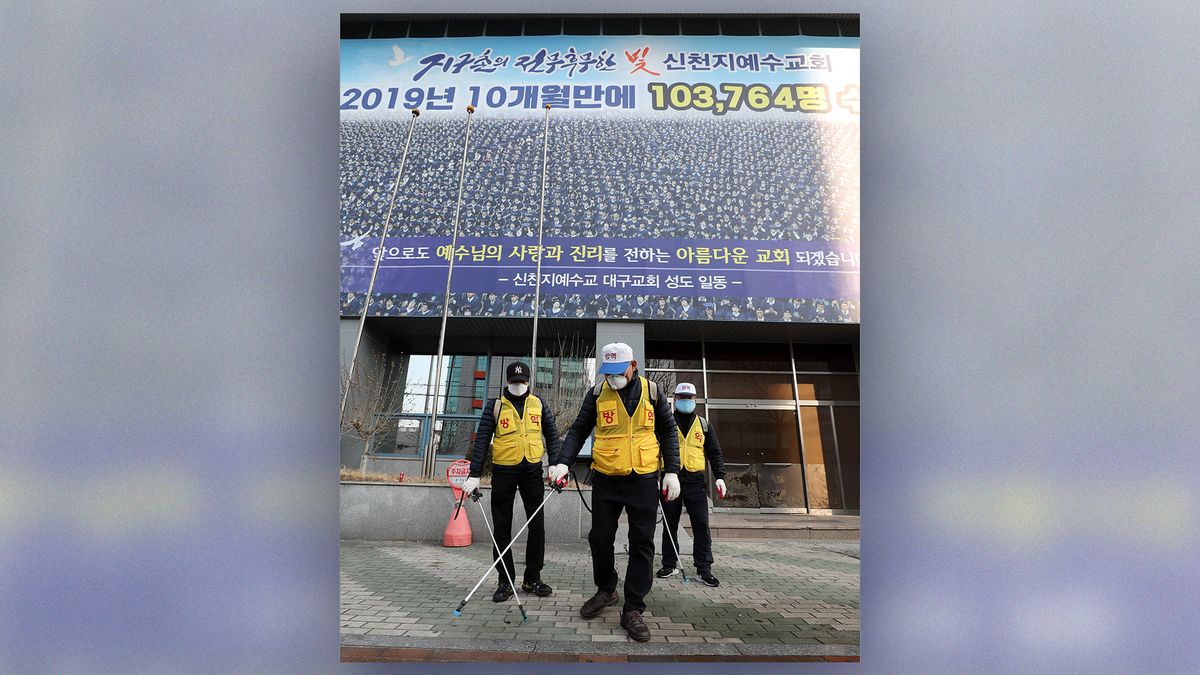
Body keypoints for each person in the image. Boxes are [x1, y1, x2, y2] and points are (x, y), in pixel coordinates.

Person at [549, 342, 680, 642]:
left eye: (618, 372)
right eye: (607, 372)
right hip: (606, 477)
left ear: (633, 366)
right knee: (600, 538)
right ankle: (607, 589)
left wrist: (672, 470)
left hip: (644, 478)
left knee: (641, 543)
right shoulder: (596, 394)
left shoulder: (654, 392)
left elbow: (669, 432)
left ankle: (633, 608)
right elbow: (579, 429)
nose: (613, 378)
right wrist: (561, 463)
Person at [462, 361, 561, 603]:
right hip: (503, 473)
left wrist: (557, 464)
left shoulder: (539, 404)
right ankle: (505, 581)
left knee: (537, 526)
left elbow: (553, 434)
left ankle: (532, 578)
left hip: (532, 472)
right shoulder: (494, 406)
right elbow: (482, 440)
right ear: (507, 382)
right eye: (515, 382)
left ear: (529, 381)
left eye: (523, 381)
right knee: (501, 528)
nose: (519, 385)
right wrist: (474, 475)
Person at [656, 383, 726, 587]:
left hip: (696, 482)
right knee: (670, 524)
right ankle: (669, 564)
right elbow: (654, 450)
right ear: (675, 399)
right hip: (671, 480)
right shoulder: (665, 423)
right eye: (682, 397)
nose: (686, 400)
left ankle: (704, 568)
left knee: (701, 525)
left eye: (690, 397)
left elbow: (714, 452)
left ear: (695, 399)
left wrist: (720, 476)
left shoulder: (704, 425)